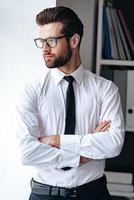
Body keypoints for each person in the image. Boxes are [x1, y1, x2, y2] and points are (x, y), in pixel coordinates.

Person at [16, 6, 125, 200]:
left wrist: (55, 141)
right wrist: (84, 154)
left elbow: (113, 144)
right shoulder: (32, 90)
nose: (45, 49)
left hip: (94, 194)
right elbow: (27, 152)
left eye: (51, 41)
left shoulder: (105, 89)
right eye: (41, 42)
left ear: (74, 40)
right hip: (45, 194)